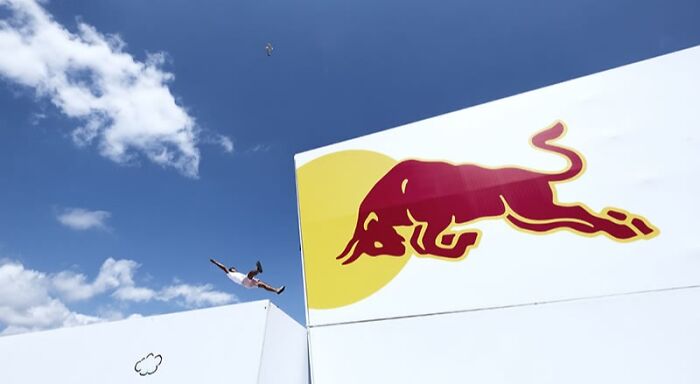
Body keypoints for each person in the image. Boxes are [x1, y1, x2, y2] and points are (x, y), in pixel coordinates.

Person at [210, 258, 285, 294]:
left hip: (249, 281)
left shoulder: (239, 273)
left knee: (263, 285)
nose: (236, 269)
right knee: (249, 274)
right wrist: (215, 262)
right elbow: (223, 267)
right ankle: (258, 270)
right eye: (234, 269)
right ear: (231, 270)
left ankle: (276, 290)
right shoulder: (230, 274)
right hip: (244, 282)